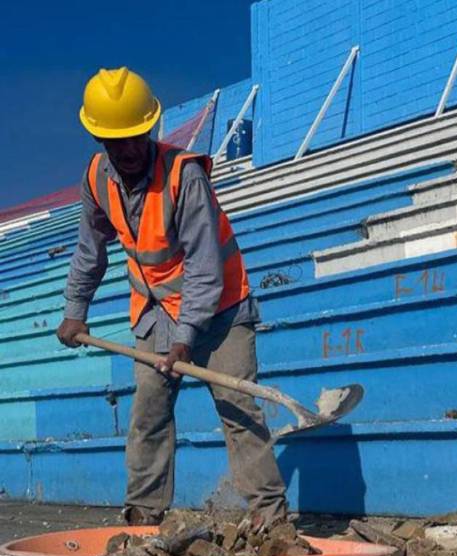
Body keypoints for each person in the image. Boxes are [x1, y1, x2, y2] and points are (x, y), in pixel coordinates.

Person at [56, 67, 287, 527]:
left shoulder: (185, 176)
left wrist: (185, 338)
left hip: (221, 312)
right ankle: (143, 517)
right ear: (100, 140)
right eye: (118, 141)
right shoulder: (97, 180)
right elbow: (90, 251)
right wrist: (74, 311)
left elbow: (204, 266)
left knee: (238, 409)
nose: (130, 149)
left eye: (138, 136)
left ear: (150, 128)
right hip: (156, 311)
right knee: (148, 413)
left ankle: (272, 520)